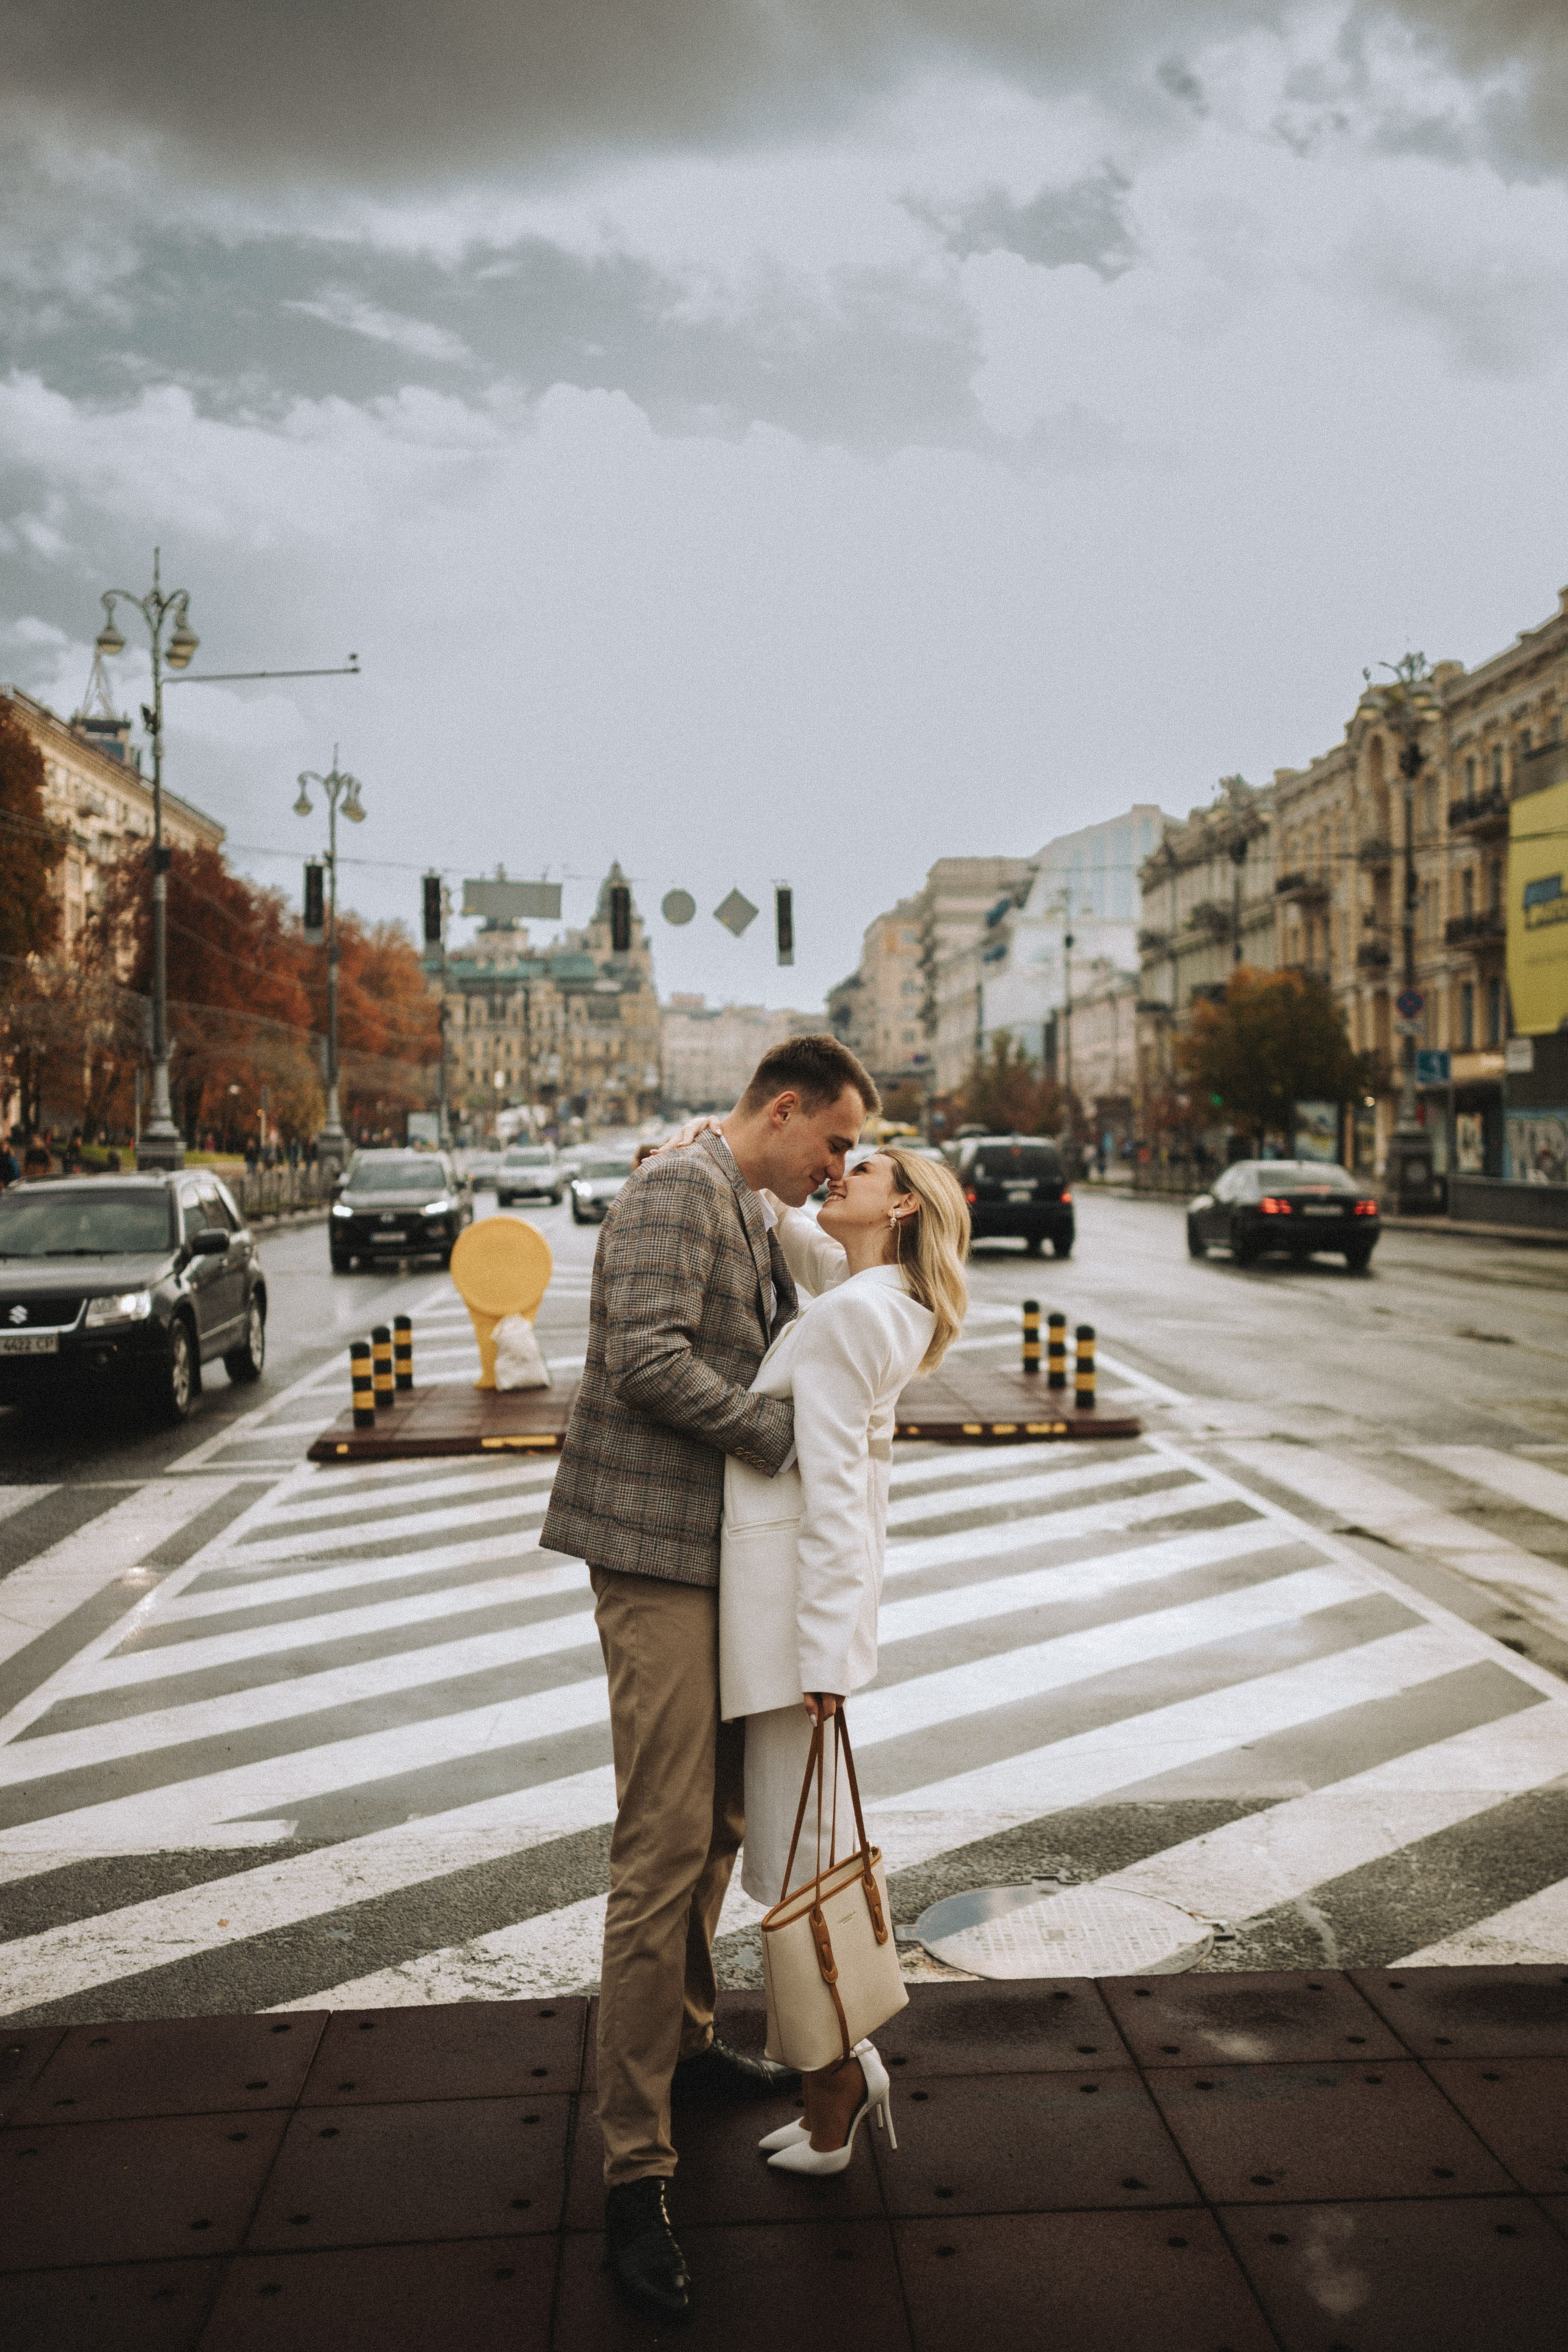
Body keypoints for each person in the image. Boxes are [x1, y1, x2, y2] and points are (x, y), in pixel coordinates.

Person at [539, 1033, 880, 2324]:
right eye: (832, 1142)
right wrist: (777, 1435)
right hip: (652, 1552)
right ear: (782, 1108)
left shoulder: (735, 1191)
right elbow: (641, 1356)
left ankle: (684, 2044)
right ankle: (635, 2175)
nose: (835, 1167)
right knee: (663, 1842)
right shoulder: (681, 1189)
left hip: (719, 1559)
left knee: (722, 1821)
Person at [718, 1144, 970, 2174]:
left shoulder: (857, 1316)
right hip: (803, 1625)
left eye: (860, 1169)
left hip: (791, 1627)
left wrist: (822, 1657)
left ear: (902, 1204)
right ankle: (838, 2069)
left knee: (803, 1863)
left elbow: (831, 1499)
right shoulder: (881, 1298)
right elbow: (819, 1253)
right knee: (803, 1853)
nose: (838, 1173)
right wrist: (740, 1169)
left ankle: (836, 2087)